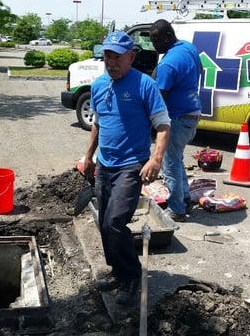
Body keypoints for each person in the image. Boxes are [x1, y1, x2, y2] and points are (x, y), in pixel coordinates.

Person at [82, 31, 171, 305]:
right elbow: (97, 124)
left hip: (131, 166)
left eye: (117, 57)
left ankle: (131, 276)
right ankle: (118, 271)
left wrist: (155, 159)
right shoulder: (98, 86)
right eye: (107, 56)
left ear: (131, 57)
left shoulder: (145, 85)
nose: (111, 62)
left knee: (115, 222)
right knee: (104, 222)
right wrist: (88, 157)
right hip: (104, 165)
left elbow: (164, 125)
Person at [150, 19, 203, 222]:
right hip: (193, 113)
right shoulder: (188, 48)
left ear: (168, 36)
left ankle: (177, 209)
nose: (154, 45)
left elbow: (158, 100)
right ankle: (185, 197)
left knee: (169, 163)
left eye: (157, 40)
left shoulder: (168, 64)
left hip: (178, 118)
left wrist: (150, 127)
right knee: (177, 158)